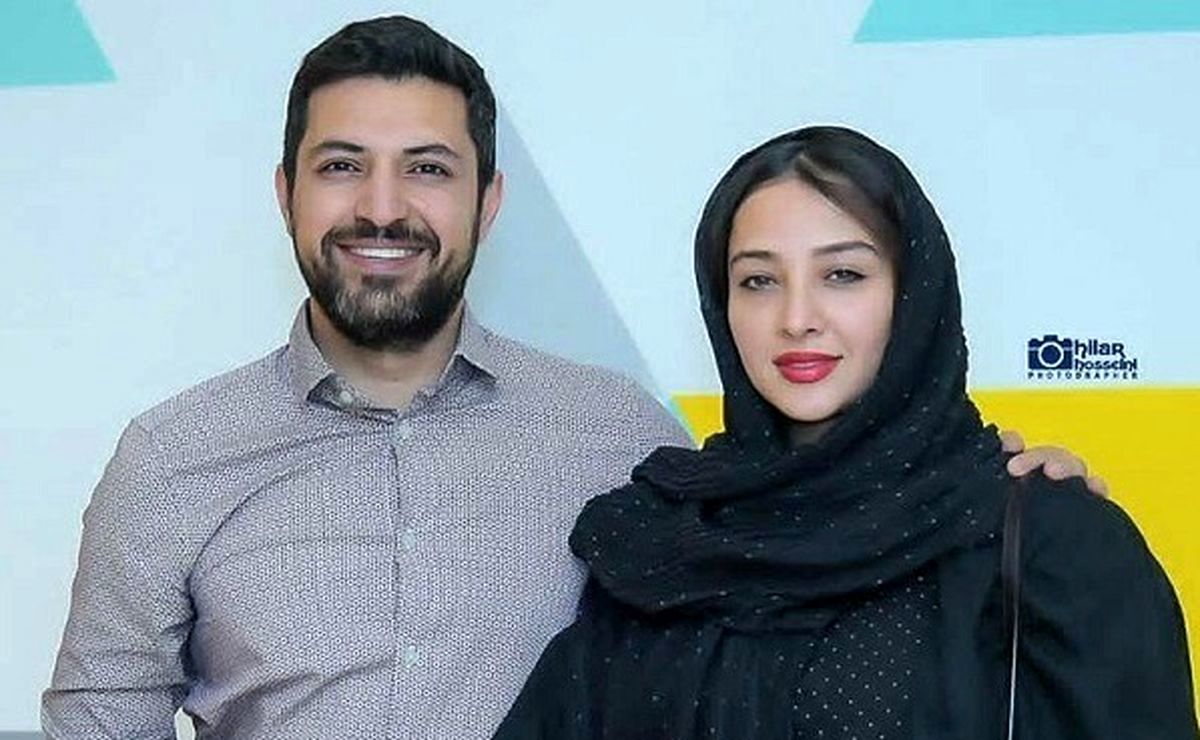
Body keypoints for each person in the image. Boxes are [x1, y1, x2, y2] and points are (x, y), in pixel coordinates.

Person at [42, 17, 1103, 740]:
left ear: (489, 200)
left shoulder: (621, 440)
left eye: (427, 168)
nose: (382, 207)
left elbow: (798, 556)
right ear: (285, 193)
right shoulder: (171, 460)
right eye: (341, 165)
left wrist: (988, 496)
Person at [492, 126, 1197, 739]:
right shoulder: (660, 543)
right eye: (759, 281)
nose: (797, 317)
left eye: (843, 274)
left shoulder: (1047, 540)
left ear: (912, 295)